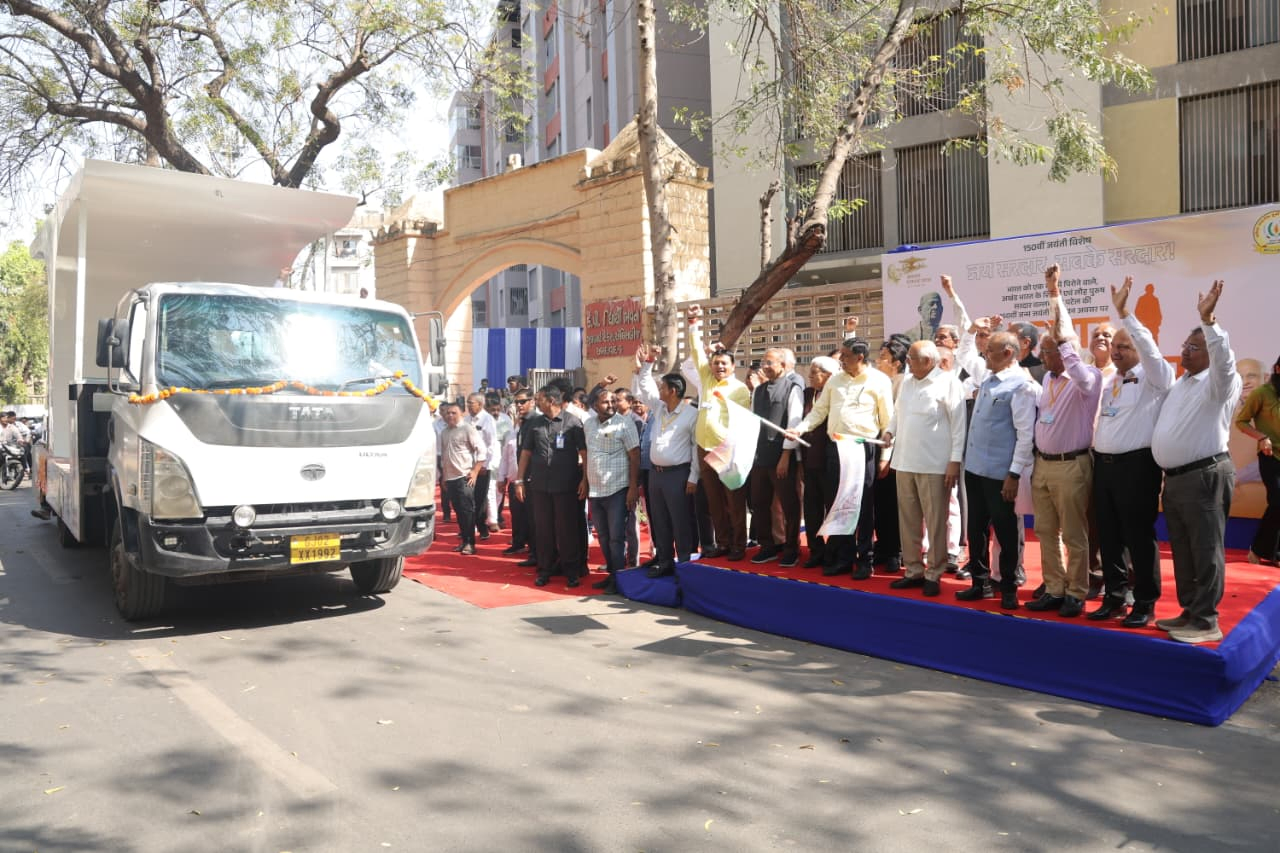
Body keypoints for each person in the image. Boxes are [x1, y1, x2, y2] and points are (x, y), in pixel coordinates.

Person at [1150, 280, 1241, 644]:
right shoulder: (1182, 383)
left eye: (1194, 347)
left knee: (1205, 549)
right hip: (1176, 480)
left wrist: (1209, 323)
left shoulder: (1218, 384)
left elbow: (1226, 363)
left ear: (1210, 353)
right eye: (1185, 346)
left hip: (1204, 476)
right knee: (1184, 549)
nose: (1185, 352)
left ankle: (1206, 620)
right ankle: (1190, 610)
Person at [1089, 276, 1175, 627]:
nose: (1117, 351)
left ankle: (1145, 602)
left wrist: (1126, 314)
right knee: (1108, 534)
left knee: (1139, 536)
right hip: (1105, 467)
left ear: (1142, 348)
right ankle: (1114, 595)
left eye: (1124, 346)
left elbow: (1149, 349)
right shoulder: (1112, 381)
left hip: (1137, 467)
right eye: (1115, 347)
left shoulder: (1156, 377)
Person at [1025, 265, 1102, 618]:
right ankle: (1054, 588)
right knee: (1045, 532)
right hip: (1044, 465)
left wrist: (1055, 295)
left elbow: (1066, 342)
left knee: (1073, 534)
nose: (1042, 357)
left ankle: (1076, 591)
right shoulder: (1049, 382)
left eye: (1048, 351)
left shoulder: (1087, 380)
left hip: (1073, 465)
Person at [786, 331, 894, 580]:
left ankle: (864, 559)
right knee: (838, 503)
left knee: (863, 505)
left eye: (845, 356)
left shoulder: (879, 381)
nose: (841, 361)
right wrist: (799, 428)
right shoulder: (835, 381)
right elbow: (819, 412)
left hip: (863, 448)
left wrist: (884, 456)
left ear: (860, 357)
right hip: (836, 449)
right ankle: (843, 557)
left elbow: (888, 421)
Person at [957, 329, 1039, 610]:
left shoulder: (1021, 385)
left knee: (1005, 532)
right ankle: (980, 583)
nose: (984, 354)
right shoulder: (988, 379)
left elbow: (1025, 434)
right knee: (976, 529)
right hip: (976, 468)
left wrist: (1014, 474)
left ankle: (1008, 587)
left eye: (989, 351)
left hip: (1001, 475)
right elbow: (965, 355)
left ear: (1007, 353)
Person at [882, 341, 966, 597]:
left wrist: (954, 460)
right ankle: (913, 570)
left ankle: (934, 572)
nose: (908, 362)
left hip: (934, 464)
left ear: (928, 361)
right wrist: (889, 431)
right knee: (907, 520)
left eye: (912, 358)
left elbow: (958, 425)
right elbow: (898, 413)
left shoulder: (949, 382)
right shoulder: (908, 381)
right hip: (905, 461)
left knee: (935, 521)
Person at [686, 304, 752, 560]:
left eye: (724, 364)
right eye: (716, 363)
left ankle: (738, 545)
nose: (719, 367)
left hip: (728, 450)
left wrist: (732, 449)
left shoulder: (739, 389)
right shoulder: (706, 379)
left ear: (733, 366)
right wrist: (694, 323)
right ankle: (722, 543)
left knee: (733, 501)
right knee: (714, 502)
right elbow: (695, 351)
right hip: (704, 448)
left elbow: (743, 424)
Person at [632, 351, 700, 578]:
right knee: (658, 519)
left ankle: (683, 562)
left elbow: (695, 448)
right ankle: (664, 561)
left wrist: (693, 477)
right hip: (656, 474)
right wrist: (648, 363)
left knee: (679, 519)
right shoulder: (660, 408)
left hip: (678, 475)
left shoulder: (691, 414)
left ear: (673, 391)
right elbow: (644, 387)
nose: (659, 390)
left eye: (663, 387)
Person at [514, 386, 588, 588]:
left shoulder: (572, 422)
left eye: (539, 399)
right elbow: (526, 454)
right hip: (540, 486)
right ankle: (545, 568)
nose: (536, 402)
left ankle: (571, 570)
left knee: (567, 529)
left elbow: (584, 453)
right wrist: (519, 480)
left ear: (552, 401)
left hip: (566, 486)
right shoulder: (535, 424)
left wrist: (585, 480)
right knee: (543, 529)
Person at [748, 348, 804, 567]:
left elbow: (795, 422)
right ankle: (767, 546)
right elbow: (754, 424)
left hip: (782, 458)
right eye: (764, 362)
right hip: (760, 458)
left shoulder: (793, 388)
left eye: (769, 362)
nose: (765, 366)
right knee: (759, 505)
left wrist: (786, 455)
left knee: (790, 506)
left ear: (782, 364)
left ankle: (792, 548)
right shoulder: (759, 390)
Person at [583, 388, 640, 593]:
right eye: (605, 402)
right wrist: (584, 481)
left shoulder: (625, 423)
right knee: (604, 536)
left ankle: (619, 579)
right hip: (596, 490)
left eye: (613, 401)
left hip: (618, 488)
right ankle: (611, 576)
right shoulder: (588, 424)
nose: (611, 405)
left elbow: (635, 455)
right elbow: (588, 454)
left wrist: (633, 487)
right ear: (595, 405)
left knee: (617, 536)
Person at [1234, 354, 1280, 565]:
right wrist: (1261, 437)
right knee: (1278, 501)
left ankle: (1274, 552)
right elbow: (1242, 422)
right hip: (1271, 456)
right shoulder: (1263, 393)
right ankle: (1258, 549)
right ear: (1278, 370)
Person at [800, 356, 837, 568]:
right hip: (808, 461)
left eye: (815, 373)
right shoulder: (807, 394)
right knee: (812, 510)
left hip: (830, 461)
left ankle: (833, 552)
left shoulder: (835, 395)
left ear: (829, 376)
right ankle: (816, 551)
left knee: (831, 508)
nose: (810, 376)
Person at [437, 403, 485, 556]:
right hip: (450, 478)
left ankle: (471, 543)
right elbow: (443, 455)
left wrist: (475, 471)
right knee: (458, 511)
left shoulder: (467, 429)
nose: (450, 416)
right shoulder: (444, 432)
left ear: (461, 414)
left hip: (464, 477)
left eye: (454, 413)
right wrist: (443, 476)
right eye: (448, 413)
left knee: (467, 511)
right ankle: (464, 540)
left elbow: (481, 450)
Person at [500, 392, 536, 556]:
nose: (519, 405)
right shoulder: (512, 433)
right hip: (515, 480)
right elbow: (505, 458)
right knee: (517, 515)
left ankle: (534, 548)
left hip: (532, 480)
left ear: (532, 402)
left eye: (523, 402)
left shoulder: (536, 426)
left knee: (532, 517)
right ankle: (518, 543)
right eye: (517, 403)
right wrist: (501, 478)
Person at [464, 393, 498, 540]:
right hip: (467, 467)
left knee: (480, 499)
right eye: (467, 403)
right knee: (466, 498)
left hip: (482, 466)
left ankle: (482, 526)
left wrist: (484, 464)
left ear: (480, 404)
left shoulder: (487, 419)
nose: (468, 406)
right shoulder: (465, 420)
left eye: (471, 403)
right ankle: (468, 528)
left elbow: (491, 444)